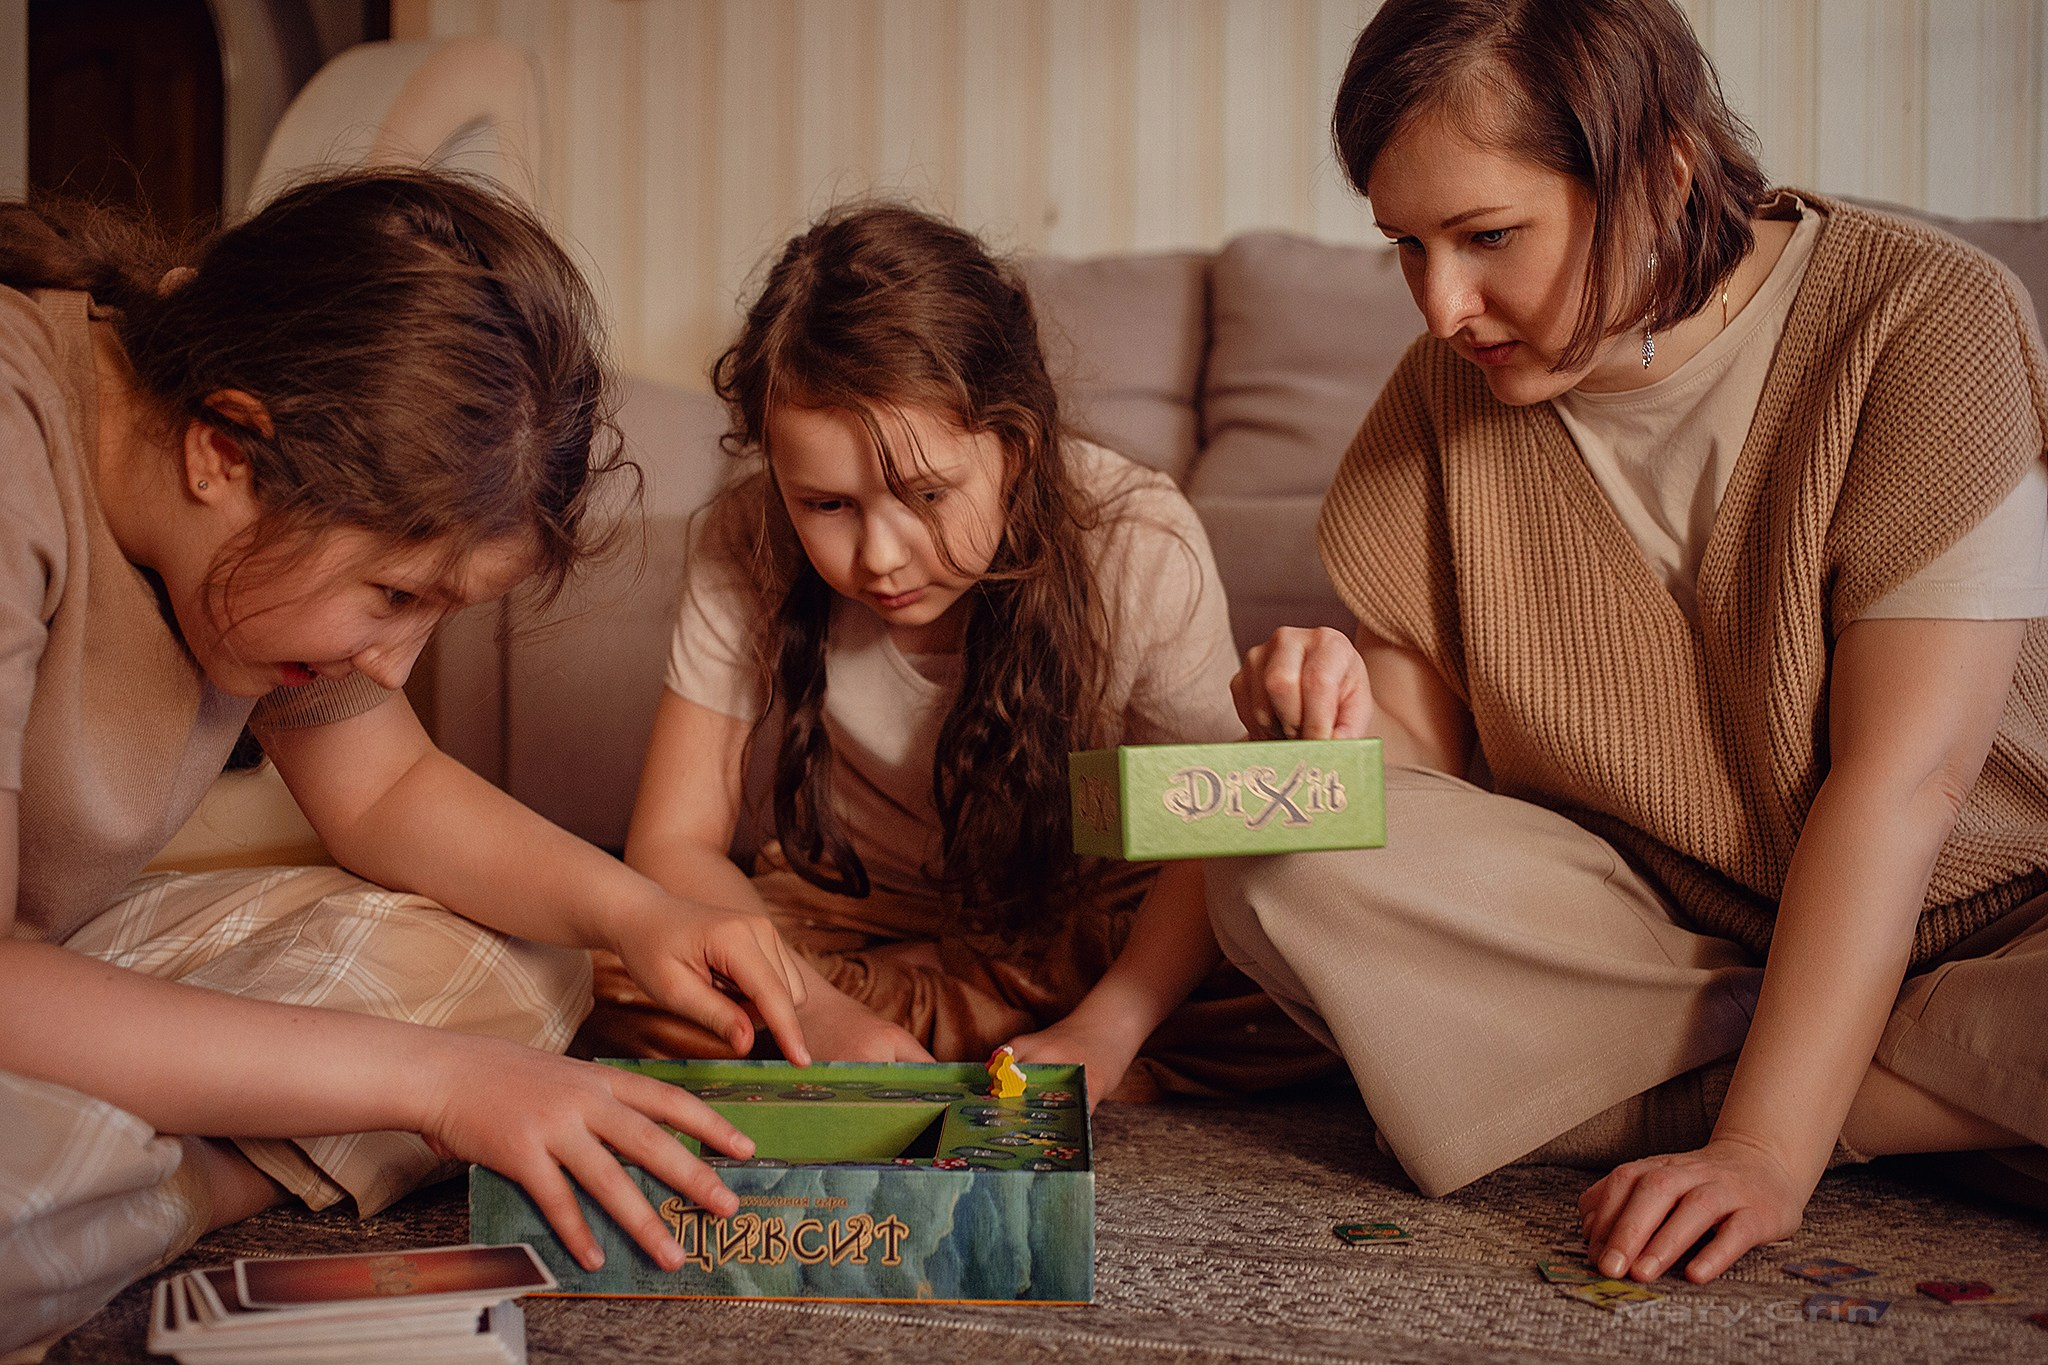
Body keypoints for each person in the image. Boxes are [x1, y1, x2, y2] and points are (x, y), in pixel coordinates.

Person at [1211, 0, 2048, 1290]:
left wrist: (1765, 1148)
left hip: (2001, 918)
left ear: (1658, 170)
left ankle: (1795, 1102)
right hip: (1675, 943)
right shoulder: (1443, 394)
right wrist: (1312, 717)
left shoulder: (1921, 318)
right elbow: (1418, 772)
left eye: (1487, 238)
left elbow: (1910, 782)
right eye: (1404, 247)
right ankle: (1933, 1092)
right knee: (1279, 855)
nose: (1440, 308)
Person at [0, 169, 813, 1354]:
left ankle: (157, 1164)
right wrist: (435, 1088)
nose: (391, 665)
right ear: (224, 448)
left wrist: (640, 915)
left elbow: (384, 791)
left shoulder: (267, 495)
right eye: (393, 595)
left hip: (47, 974)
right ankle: (184, 1176)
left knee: (519, 945)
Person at [578, 203, 1335, 1104]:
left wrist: (1107, 1024)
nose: (882, 555)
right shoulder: (745, 538)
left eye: (928, 495)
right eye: (827, 504)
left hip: (1081, 930)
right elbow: (672, 842)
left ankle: (1031, 1050)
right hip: (850, 927)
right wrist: (813, 1010)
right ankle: (982, 1055)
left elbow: (1210, 833)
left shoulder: (1135, 535)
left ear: (1014, 448)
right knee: (601, 966)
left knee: (1311, 964)